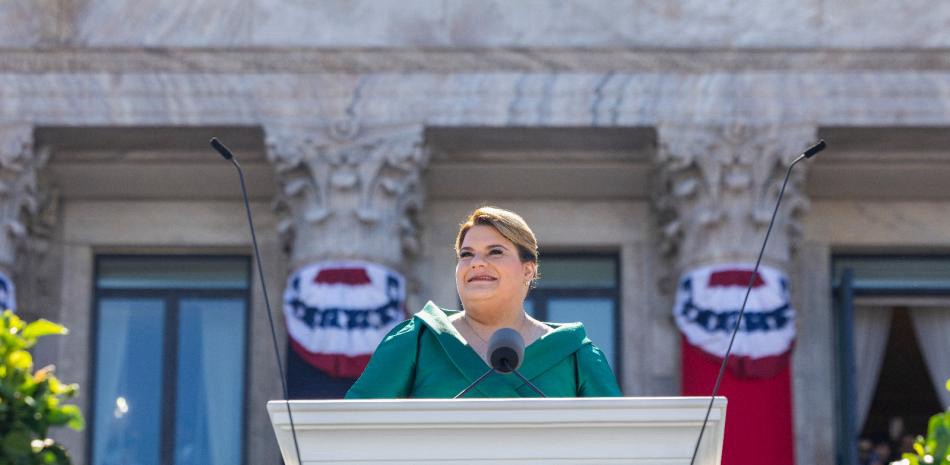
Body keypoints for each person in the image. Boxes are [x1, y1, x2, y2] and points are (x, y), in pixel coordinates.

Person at [345, 206, 621, 398]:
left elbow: (617, 440)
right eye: (466, 254)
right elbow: (353, 430)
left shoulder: (575, 354)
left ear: (528, 270)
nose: (476, 263)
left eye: (495, 252)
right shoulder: (417, 340)